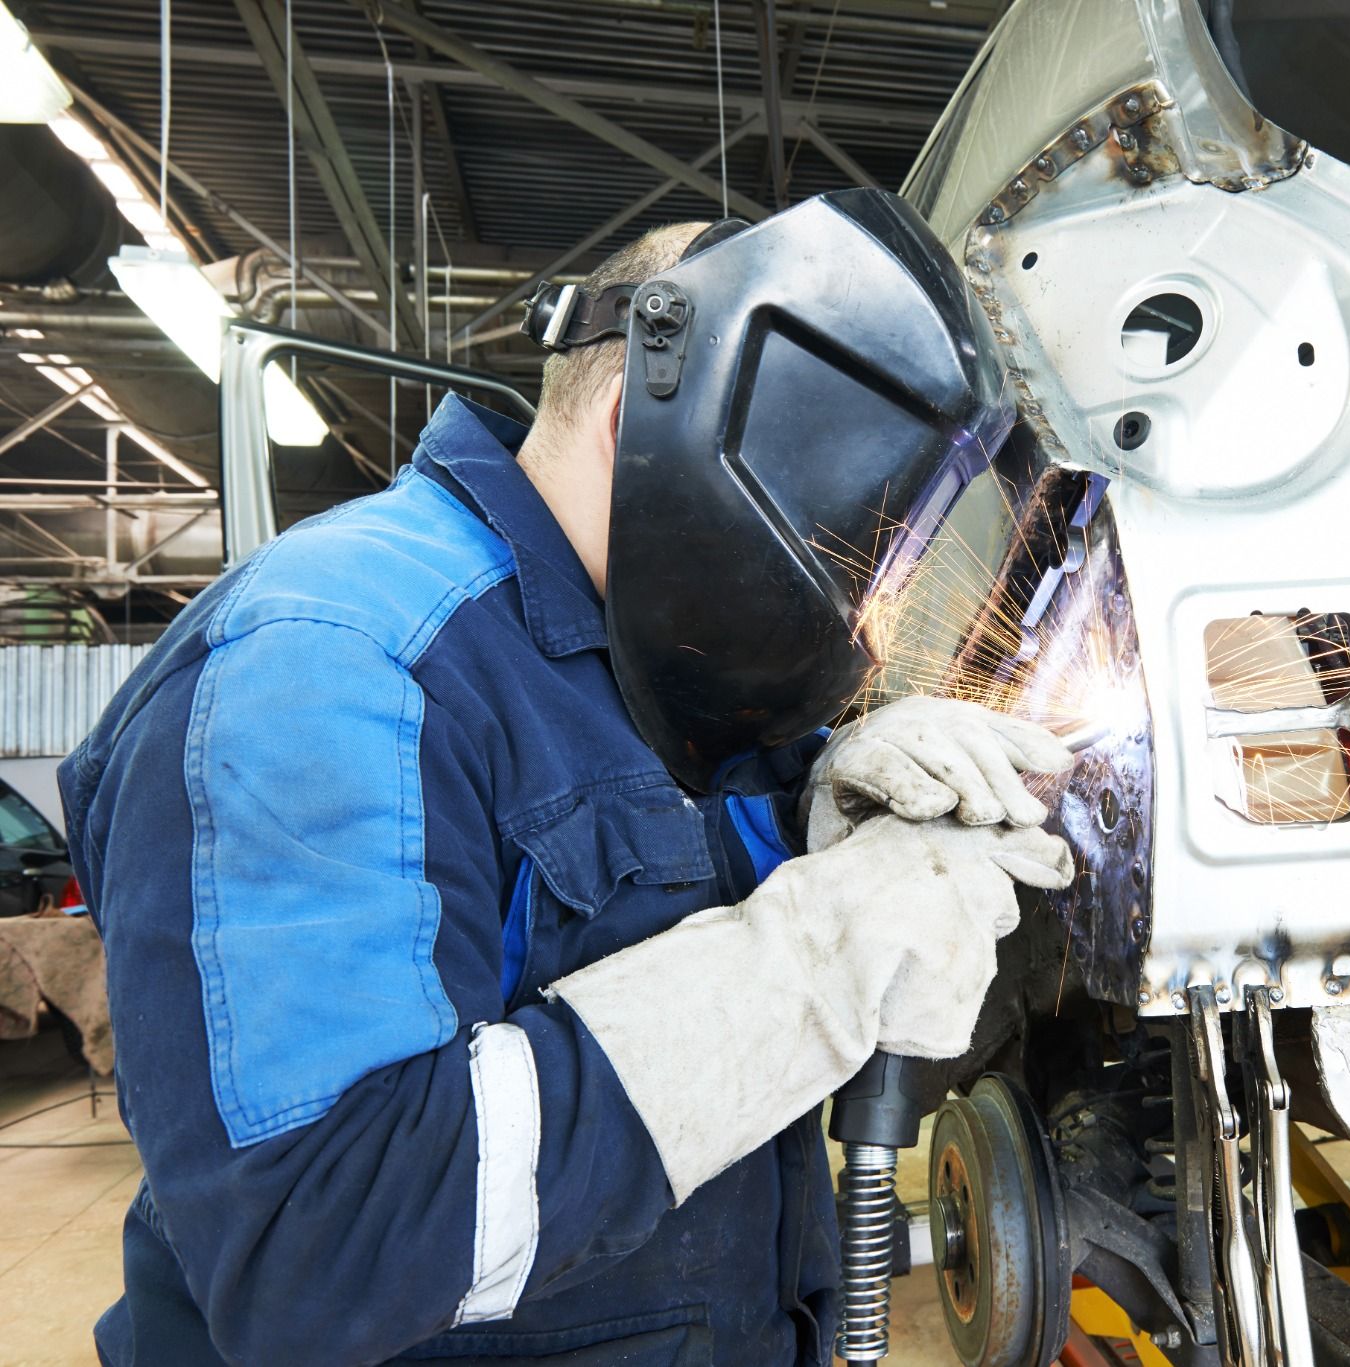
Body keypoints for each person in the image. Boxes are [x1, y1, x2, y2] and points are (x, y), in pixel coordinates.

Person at [61, 191, 1075, 1366]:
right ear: (654, 422)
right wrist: (807, 969)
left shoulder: (663, 666)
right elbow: (320, 1246)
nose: (857, 598)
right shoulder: (327, 658)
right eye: (840, 539)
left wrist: (818, 815)